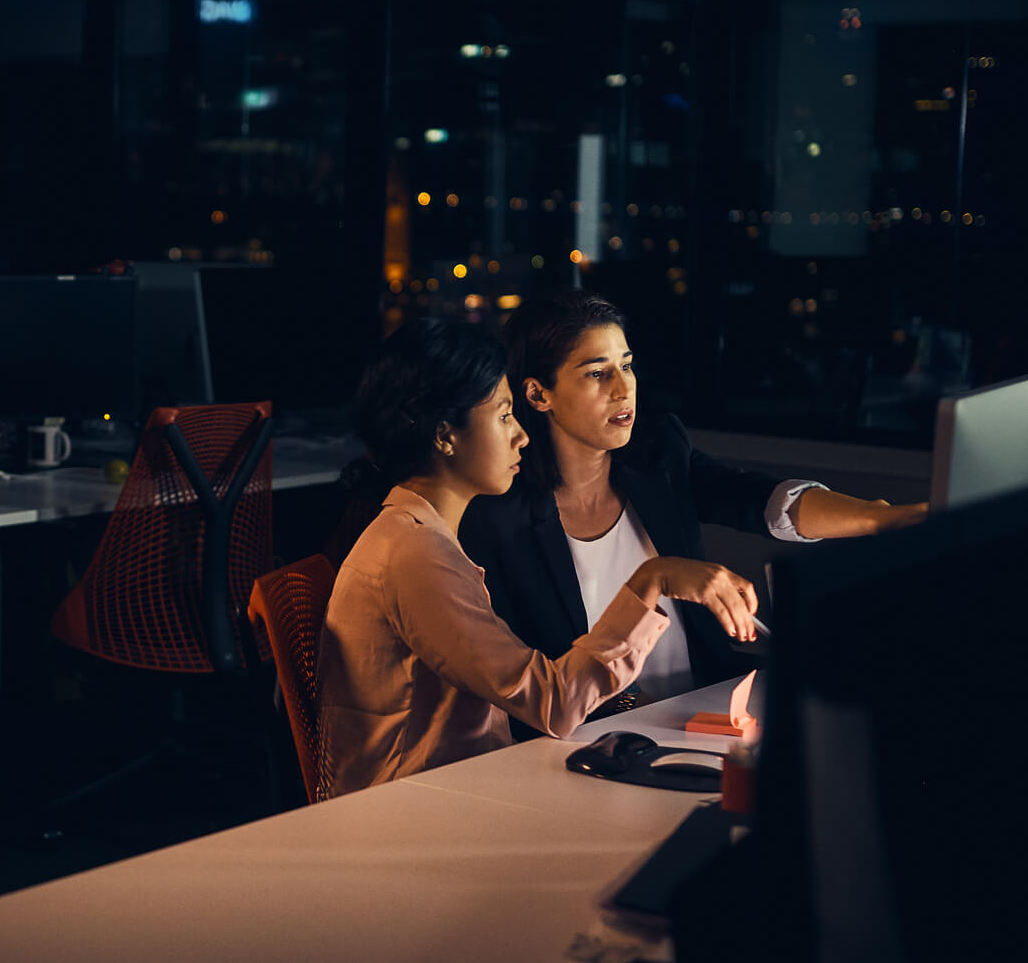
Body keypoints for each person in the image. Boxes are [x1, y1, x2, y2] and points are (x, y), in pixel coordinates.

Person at [318, 319, 758, 796]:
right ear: (445, 435)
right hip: (419, 810)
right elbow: (552, 704)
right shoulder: (415, 554)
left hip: (465, 791)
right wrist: (652, 580)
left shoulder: (424, 535)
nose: (522, 437)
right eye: (504, 415)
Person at [460, 291, 925, 712]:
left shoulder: (658, 453)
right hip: (590, 735)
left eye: (627, 364)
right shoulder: (499, 513)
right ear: (538, 394)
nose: (623, 388)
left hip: (704, 705)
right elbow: (531, 670)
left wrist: (879, 519)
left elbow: (756, 498)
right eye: (597, 373)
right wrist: (634, 708)